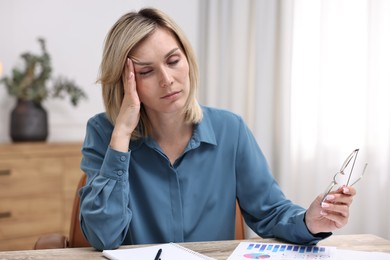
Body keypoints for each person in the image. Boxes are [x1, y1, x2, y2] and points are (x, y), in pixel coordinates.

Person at [79, 7, 356, 251]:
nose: (167, 80)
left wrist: (311, 220)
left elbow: (270, 212)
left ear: (188, 60)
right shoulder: (105, 133)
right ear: (124, 82)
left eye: (173, 61)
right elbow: (104, 237)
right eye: (146, 72)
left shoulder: (230, 129)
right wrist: (121, 136)